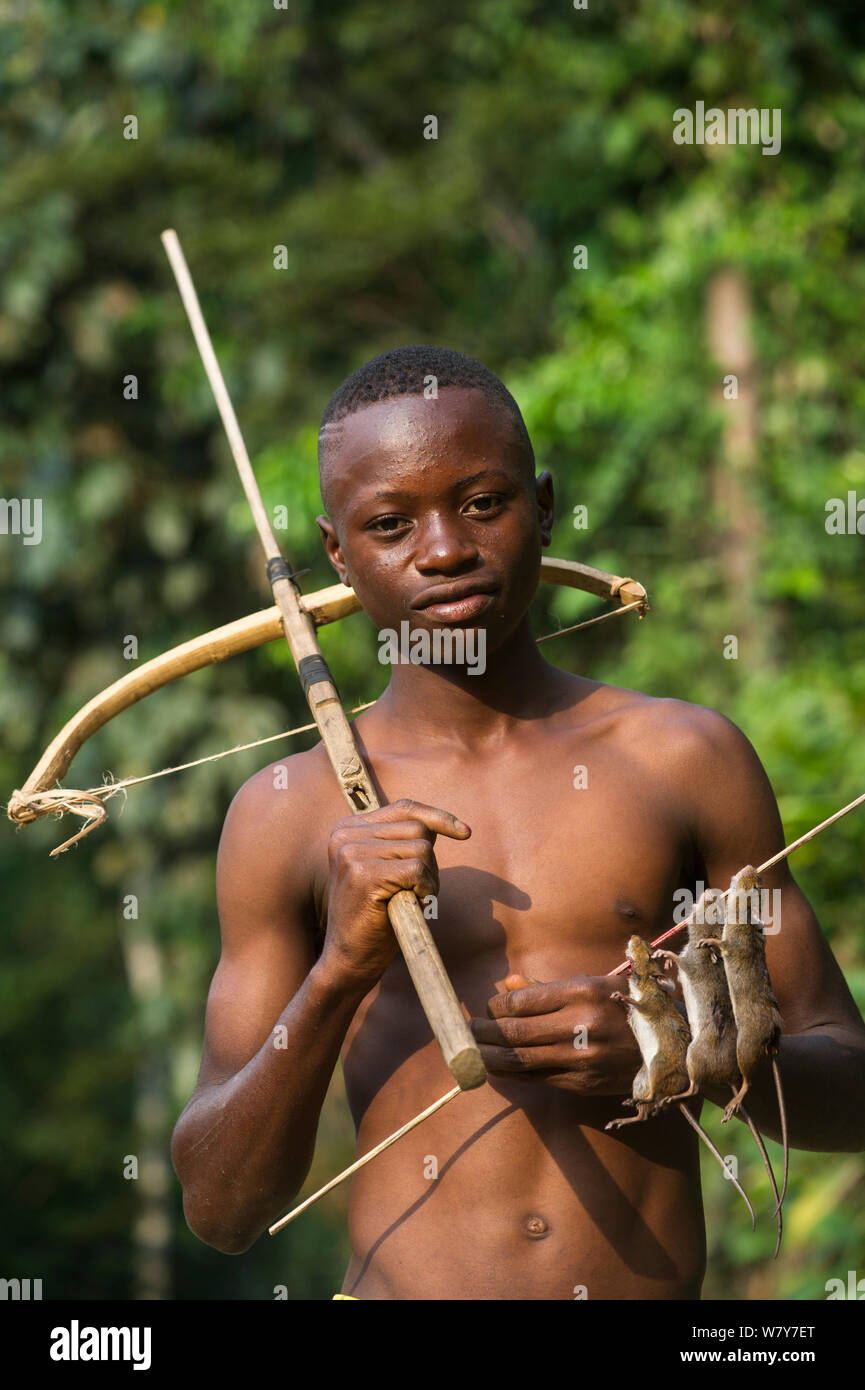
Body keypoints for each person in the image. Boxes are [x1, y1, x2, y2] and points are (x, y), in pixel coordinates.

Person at [170, 345, 865, 1300]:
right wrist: (340, 968)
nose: (445, 548)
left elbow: (852, 1088)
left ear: (542, 505)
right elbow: (221, 1208)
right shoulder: (285, 814)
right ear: (338, 554)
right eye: (389, 524)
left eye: (482, 503)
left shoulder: (684, 759)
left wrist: (676, 1053)